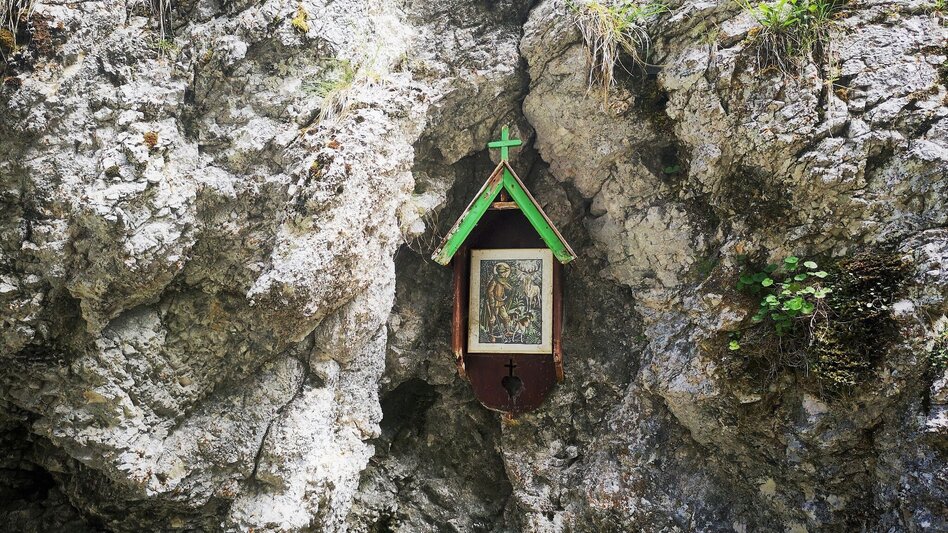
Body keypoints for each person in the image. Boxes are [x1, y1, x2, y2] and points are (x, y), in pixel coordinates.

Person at [484, 262, 513, 341]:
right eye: (504, 273)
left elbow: (507, 287)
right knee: (493, 318)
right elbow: (489, 292)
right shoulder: (494, 281)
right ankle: (491, 333)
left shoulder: (502, 281)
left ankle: (507, 331)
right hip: (494, 303)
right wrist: (492, 302)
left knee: (505, 317)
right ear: (500, 273)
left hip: (500, 302)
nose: (505, 274)